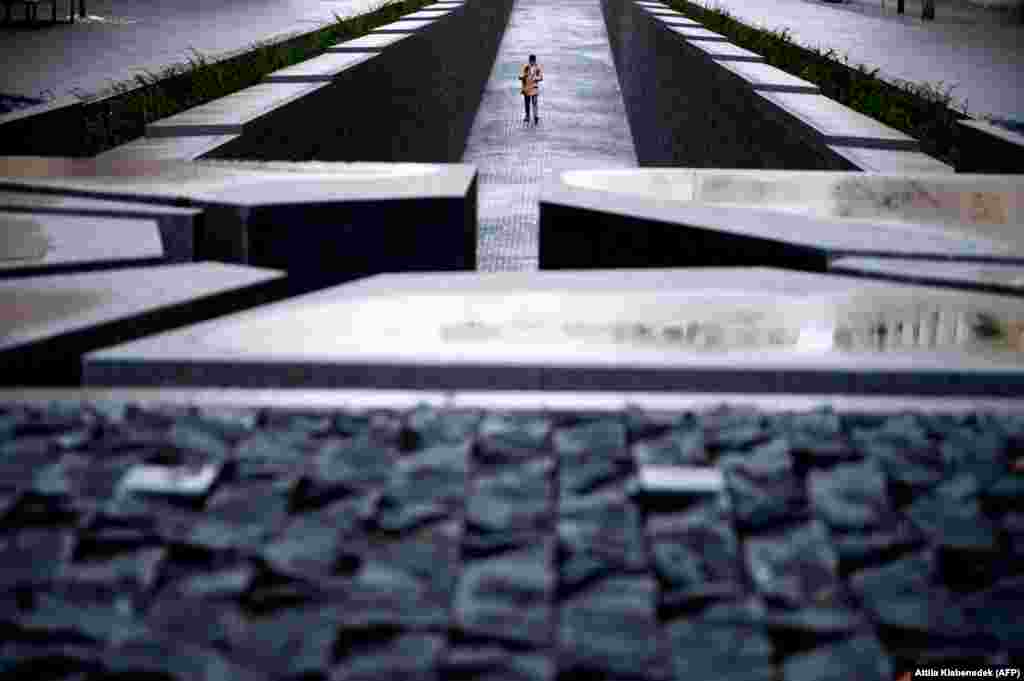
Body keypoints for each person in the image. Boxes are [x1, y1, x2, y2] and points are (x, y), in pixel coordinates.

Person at [519, 54, 543, 125]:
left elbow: (541, 77)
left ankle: (535, 116)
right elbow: (521, 75)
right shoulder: (526, 67)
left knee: (535, 103)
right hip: (527, 89)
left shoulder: (538, 68)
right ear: (529, 61)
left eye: (533, 61)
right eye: (531, 61)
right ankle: (527, 116)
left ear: (535, 61)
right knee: (527, 103)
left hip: (534, 88)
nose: (532, 62)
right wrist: (522, 77)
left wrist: (535, 78)